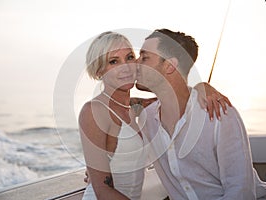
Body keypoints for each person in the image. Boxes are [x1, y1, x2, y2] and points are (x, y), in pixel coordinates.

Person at [79, 31, 231, 200]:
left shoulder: (135, 107)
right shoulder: (94, 111)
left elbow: (173, 97)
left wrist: (202, 87)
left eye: (129, 57)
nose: (126, 67)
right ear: (99, 71)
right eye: (114, 61)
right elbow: (102, 191)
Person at [136, 29, 266, 199]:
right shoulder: (147, 120)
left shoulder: (218, 113)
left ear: (169, 66)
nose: (135, 63)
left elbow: (241, 192)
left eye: (144, 58)